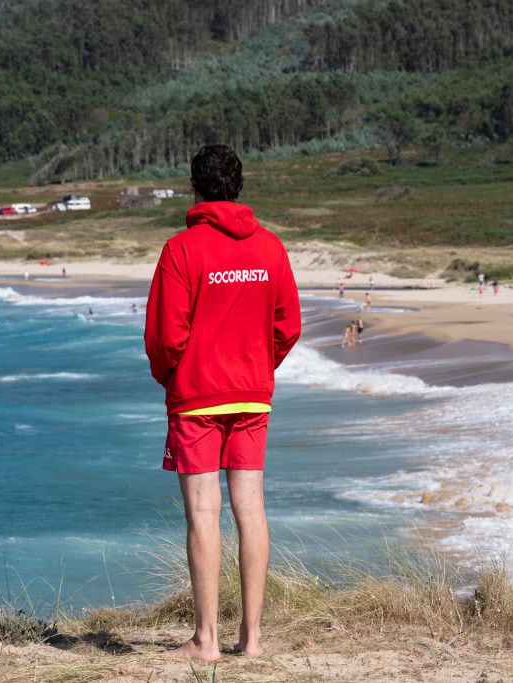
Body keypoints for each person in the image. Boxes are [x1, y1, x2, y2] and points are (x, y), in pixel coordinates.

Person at [144, 144, 302, 661]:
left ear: (195, 188)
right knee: (250, 508)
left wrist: (174, 376)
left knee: (203, 513)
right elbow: (288, 327)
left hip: (197, 398)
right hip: (253, 395)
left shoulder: (182, 249)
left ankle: (206, 640)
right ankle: (251, 639)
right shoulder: (271, 248)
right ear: (238, 187)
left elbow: (166, 336)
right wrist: (258, 365)